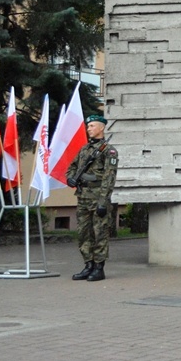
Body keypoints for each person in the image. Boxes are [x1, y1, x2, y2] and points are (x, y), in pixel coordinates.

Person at [66, 114, 118, 281]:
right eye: (88, 127)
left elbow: (109, 178)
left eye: (92, 126)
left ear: (101, 128)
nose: (89, 129)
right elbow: (72, 167)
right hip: (83, 197)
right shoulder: (84, 150)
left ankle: (99, 267)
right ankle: (88, 265)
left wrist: (103, 201)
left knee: (100, 232)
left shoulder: (109, 151)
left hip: (98, 197)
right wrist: (71, 178)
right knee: (83, 233)